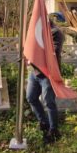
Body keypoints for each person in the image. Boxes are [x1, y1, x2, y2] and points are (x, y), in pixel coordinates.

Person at [26, 12, 65, 143]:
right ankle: (44, 123)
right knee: (31, 98)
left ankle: (54, 131)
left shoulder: (55, 32)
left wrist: (35, 56)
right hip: (35, 72)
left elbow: (53, 53)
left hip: (48, 74)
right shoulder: (37, 31)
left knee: (49, 102)